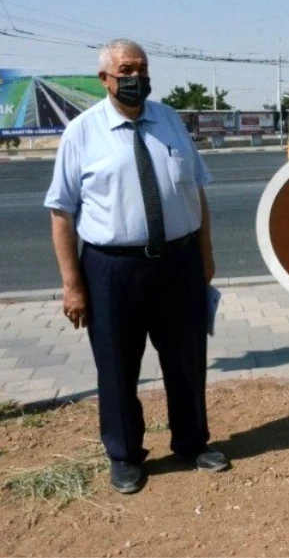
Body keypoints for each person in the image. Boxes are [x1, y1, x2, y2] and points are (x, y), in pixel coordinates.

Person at [45, 39, 229, 494]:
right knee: (117, 366)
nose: (136, 77)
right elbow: (61, 213)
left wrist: (205, 257)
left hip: (178, 262)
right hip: (112, 270)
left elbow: (197, 193)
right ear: (104, 79)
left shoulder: (170, 121)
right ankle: (125, 455)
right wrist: (73, 285)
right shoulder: (82, 133)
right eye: (126, 69)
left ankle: (191, 442)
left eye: (142, 68)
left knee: (186, 360)